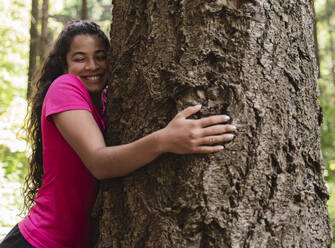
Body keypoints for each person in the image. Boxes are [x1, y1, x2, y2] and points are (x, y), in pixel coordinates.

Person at [0, 20, 236, 248]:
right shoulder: (65, 86)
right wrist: (164, 140)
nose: (92, 66)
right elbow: (99, 162)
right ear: (64, 65)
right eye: (80, 59)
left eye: (101, 57)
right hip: (39, 241)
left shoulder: (106, 102)